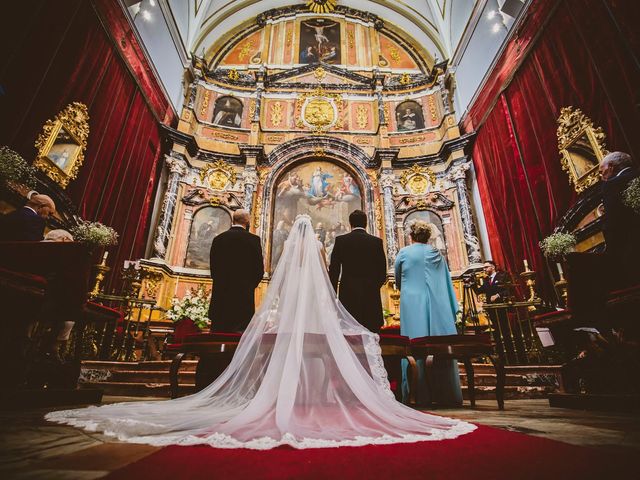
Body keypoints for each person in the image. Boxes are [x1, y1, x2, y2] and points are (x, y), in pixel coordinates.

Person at [45, 215, 475, 448]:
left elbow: (261, 275)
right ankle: (331, 397)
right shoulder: (361, 247)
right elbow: (362, 277)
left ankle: (268, 395)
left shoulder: (286, 250)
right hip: (352, 305)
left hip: (253, 306)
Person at [394, 221, 463, 406]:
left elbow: (398, 277)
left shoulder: (404, 253)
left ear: (411, 236)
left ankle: (416, 393)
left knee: (413, 345)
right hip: (436, 303)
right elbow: (445, 280)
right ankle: (444, 393)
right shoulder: (436, 254)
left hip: (412, 301)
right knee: (437, 344)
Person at [328, 210, 387, 332]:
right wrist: (373, 286)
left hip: (347, 292)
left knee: (349, 332)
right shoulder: (376, 242)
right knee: (370, 329)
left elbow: (334, 270)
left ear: (350, 224)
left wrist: (333, 293)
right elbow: (382, 271)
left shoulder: (341, 241)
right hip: (371, 294)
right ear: (366, 223)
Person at [208, 209, 264, 332]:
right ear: (247, 221)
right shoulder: (253, 240)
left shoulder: (219, 239)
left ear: (233, 220)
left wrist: (221, 281)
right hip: (243, 298)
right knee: (239, 338)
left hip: (221, 295)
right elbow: (259, 269)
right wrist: (249, 285)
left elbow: (213, 267)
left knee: (219, 332)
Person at [599, 151, 640, 288]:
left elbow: (614, 223)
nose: (602, 176)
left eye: (602, 171)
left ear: (611, 166)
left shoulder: (612, 185)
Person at [474, 260, 515, 362]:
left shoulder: (502, 276)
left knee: (505, 331)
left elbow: (509, 288)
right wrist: (473, 282)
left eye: (486, 267)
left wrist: (497, 295)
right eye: (484, 268)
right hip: (492, 310)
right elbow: (479, 291)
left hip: (502, 308)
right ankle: (502, 356)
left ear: (492, 267)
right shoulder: (487, 281)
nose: (484, 269)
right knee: (497, 332)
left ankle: (511, 356)